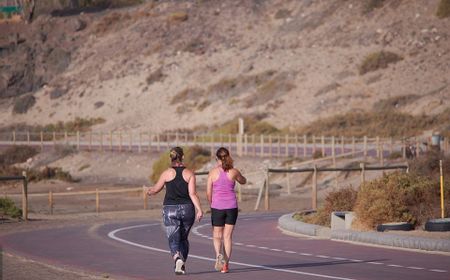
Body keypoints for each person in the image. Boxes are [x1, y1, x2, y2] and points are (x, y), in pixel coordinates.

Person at [146, 147, 203, 275]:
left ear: (170, 158)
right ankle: (182, 262)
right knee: (183, 238)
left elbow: (155, 189)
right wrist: (199, 209)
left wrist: (149, 191)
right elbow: (193, 194)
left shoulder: (166, 173)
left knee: (173, 238)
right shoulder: (189, 173)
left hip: (170, 209)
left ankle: (177, 258)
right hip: (187, 209)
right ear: (182, 157)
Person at [206, 147, 246, 273]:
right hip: (231, 207)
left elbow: (208, 192)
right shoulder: (233, 171)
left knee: (217, 235)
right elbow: (243, 181)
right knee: (227, 237)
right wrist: (240, 175)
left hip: (217, 206)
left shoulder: (212, 173)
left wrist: (211, 203)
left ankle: (218, 255)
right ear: (228, 157)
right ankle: (225, 265)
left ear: (216, 158)